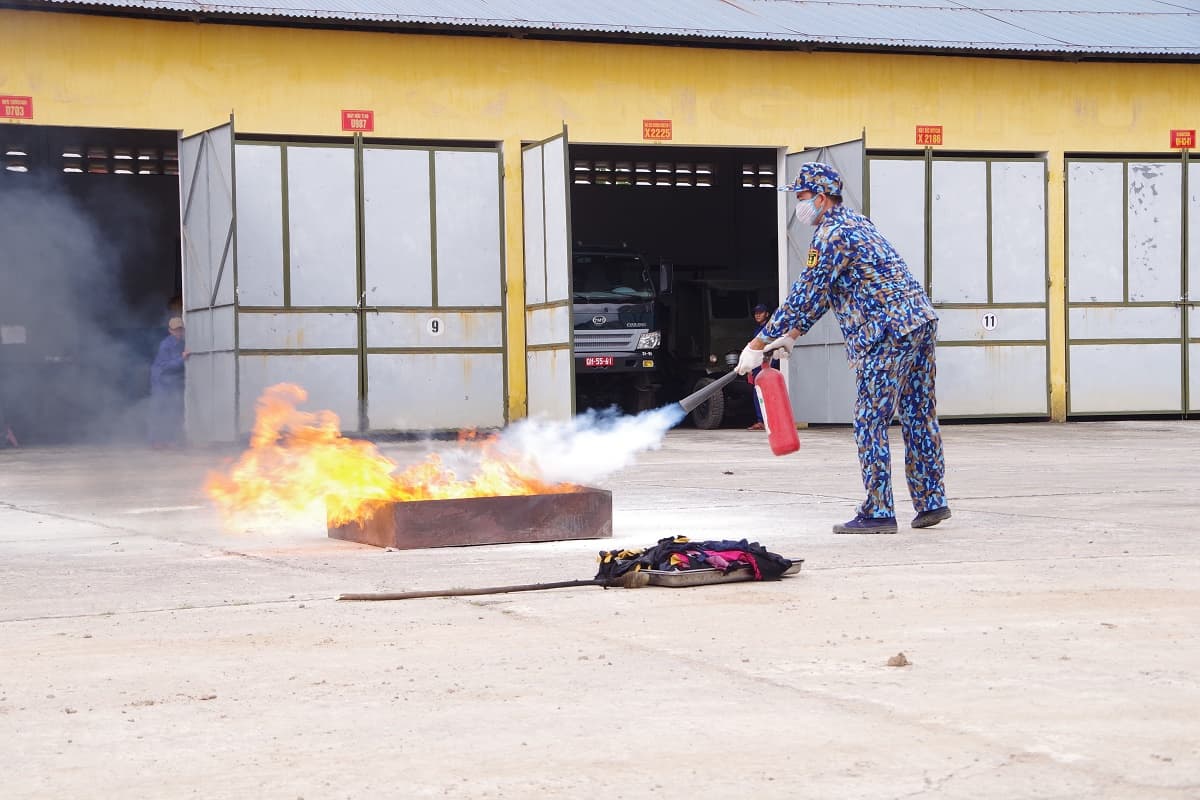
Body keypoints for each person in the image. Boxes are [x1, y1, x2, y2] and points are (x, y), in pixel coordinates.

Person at [735, 162, 949, 534]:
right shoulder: (857, 223)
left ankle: (878, 511)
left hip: (887, 333)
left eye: (801, 197)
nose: (799, 206)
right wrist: (794, 334)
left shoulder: (831, 233)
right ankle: (931, 501)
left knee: (870, 420)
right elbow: (831, 290)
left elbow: (807, 291)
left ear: (820, 198)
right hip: (919, 322)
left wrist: (758, 343)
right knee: (918, 415)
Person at [149, 316, 188, 449]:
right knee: (159, 410)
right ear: (170, 331)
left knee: (173, 410)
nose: (179, 332)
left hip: (172, 381)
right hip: (160, 381)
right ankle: (155, 441)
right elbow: (166, 366)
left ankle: (170, 440)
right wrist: (182, 359)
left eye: (180, 330)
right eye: (176, 330)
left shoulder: (183, 343)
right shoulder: (165, 345)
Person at [747, 303, 780, 431]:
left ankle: (767, 420)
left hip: (766, 364)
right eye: (756, 313)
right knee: (757, 393)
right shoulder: (757, 330)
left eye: (761, 312)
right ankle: (761, 420)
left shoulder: (769, 329)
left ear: (767, 314)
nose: (758, 315)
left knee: (767, 393)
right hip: (757, 365)